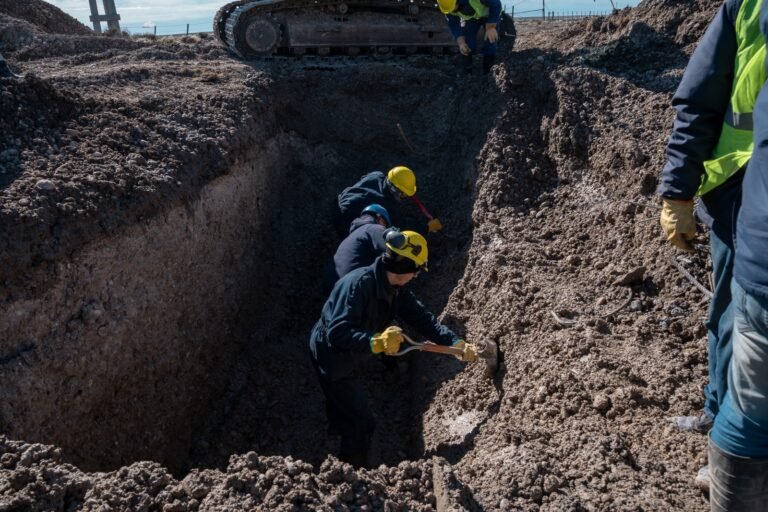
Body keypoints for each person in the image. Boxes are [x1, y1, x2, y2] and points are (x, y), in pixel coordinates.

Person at [657, 0, 763, 487]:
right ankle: (721, 417)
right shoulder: (747, 8)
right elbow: (699, 102)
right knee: (732, 312)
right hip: (741, 191)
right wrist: (678, 192)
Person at [308, 229, 477, 467]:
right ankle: (350, 474)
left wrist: (455, 343)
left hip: (351, 349)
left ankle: (336, 424)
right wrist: (375, 342)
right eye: (416, 270)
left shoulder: (396, 290)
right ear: (404, 267)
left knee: (344, 405)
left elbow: (422, 319)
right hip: (332, 354)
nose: (416, 275)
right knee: (361, 422)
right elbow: (337, 332)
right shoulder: (358, 286)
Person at [707, 2, 768, 506]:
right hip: (736, 204)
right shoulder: (743, 9)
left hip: (757, 239)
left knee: (749, 413)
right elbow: (697, 101)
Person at [322, 204, 391, 294]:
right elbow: (390, 251)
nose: (384, 228)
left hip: (333, 288)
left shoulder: (352, 236)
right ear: (379, 218)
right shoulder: (375, 228)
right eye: (385, 224)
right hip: (352, 288)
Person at [334, 166, 417, 236]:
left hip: (339, 200)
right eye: (403, 195)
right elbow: (400, 233)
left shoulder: (377, 174)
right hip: (344, 220)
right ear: (394, 189)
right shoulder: (387, 205)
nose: (404, 198)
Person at [437, 0, 502, 74]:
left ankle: (488, 72)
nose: (453, 12)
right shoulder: (447, 8)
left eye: (454, 8)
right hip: (472, 18)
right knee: (468, 43)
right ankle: (467, 72)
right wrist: (461, 42)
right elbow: (454, 24)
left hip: (491, 13)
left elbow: (496, 4)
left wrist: (491, 26)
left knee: (491, 41)